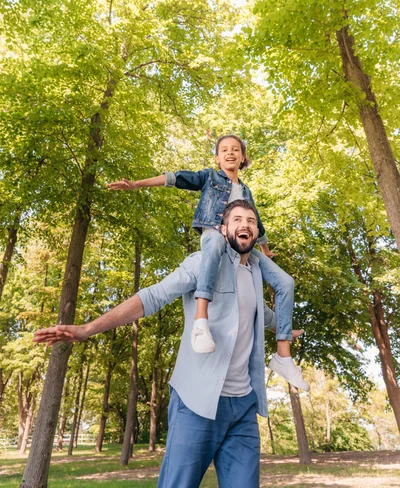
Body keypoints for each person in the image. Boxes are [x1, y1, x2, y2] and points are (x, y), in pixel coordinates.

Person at [34, 200, 305, 488]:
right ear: (224, 229)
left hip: (243, 407)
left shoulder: (256, 274)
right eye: (237, 219)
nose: (246, 224)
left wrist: (287, 330)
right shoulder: (202, 262)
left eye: (251, 221)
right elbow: (153, 297)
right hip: (197, 402)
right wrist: (88, 329)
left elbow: (262, 316)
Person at [107, 134, 309, 390]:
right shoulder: (209, 177)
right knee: (213, 244)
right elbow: (176, 178)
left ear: (243, 157)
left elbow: (256, 223)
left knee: (285, 282)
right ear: (217, 157)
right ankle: (200, 322)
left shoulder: (246, 191)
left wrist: (266, 251)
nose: (230, 153)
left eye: (236, 149)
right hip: (215, 232)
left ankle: (283, 355)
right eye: (224, 149)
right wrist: (137, 184)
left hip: (239, 242)